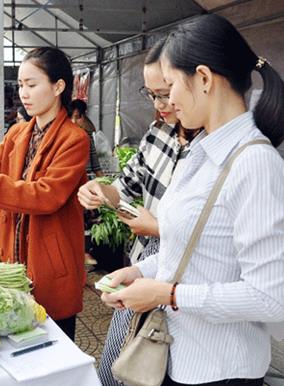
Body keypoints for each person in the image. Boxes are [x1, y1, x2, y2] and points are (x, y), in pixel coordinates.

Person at [100, 14, 284, 385]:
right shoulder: (199, 150)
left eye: (169, 86)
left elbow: (271, 298)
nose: (165, 102)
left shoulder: (255, 163)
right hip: (175, 358)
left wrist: (166, 294)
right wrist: (140, 273)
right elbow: (193, 250)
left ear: (202, 78)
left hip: (219, 372)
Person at [78, 38, 202, 386]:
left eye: (166, 92)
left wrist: (160, 228)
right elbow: (125, 188)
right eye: (152, 95)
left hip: (189, 277)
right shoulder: (158, 133)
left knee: (164, 367)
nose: (162, 104)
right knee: (122, 363)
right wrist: (100, 192)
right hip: (146, 265)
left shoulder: (215, 147)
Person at [0, 47, 91, 340]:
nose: (24, 93)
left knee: (54, 352)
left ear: (58, 86)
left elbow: (45, 195)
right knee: (20, 349)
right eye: (21, 85)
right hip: (14, 263)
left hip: (51, 264)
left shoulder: (75, 139)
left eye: (32, 84)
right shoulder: (18, 132)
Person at [69, 99, 103, 178]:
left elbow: (94, 159)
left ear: (84, 117)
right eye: (71, 117)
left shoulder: (87, 133)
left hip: (85, 176)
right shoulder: (63, 135)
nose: (74, 121)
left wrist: (102, 180)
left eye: (78, 117)